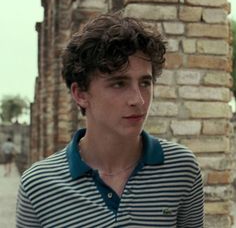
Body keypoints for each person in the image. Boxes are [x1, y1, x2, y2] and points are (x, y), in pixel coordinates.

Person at [16, 12, 204, 227]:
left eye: (145, 83)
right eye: (119, 83)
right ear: (81, 94)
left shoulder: (181, 168)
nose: (138, 99)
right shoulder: (39, 185)